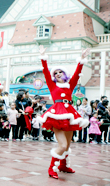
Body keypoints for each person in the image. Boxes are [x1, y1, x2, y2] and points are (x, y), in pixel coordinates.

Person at [38, 45, 90, 179]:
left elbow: (78, 73)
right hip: (56, 114)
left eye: (60, 72)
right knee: (62, 145)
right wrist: (43, 58)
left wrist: (82, 59)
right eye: (55, 73)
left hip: (69, 115)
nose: (57, 74)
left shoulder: (70, 85)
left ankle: (63, 165)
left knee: (67, 146)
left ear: (64, 74)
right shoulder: (52, 85)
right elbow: (45, 71)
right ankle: (51, 168)